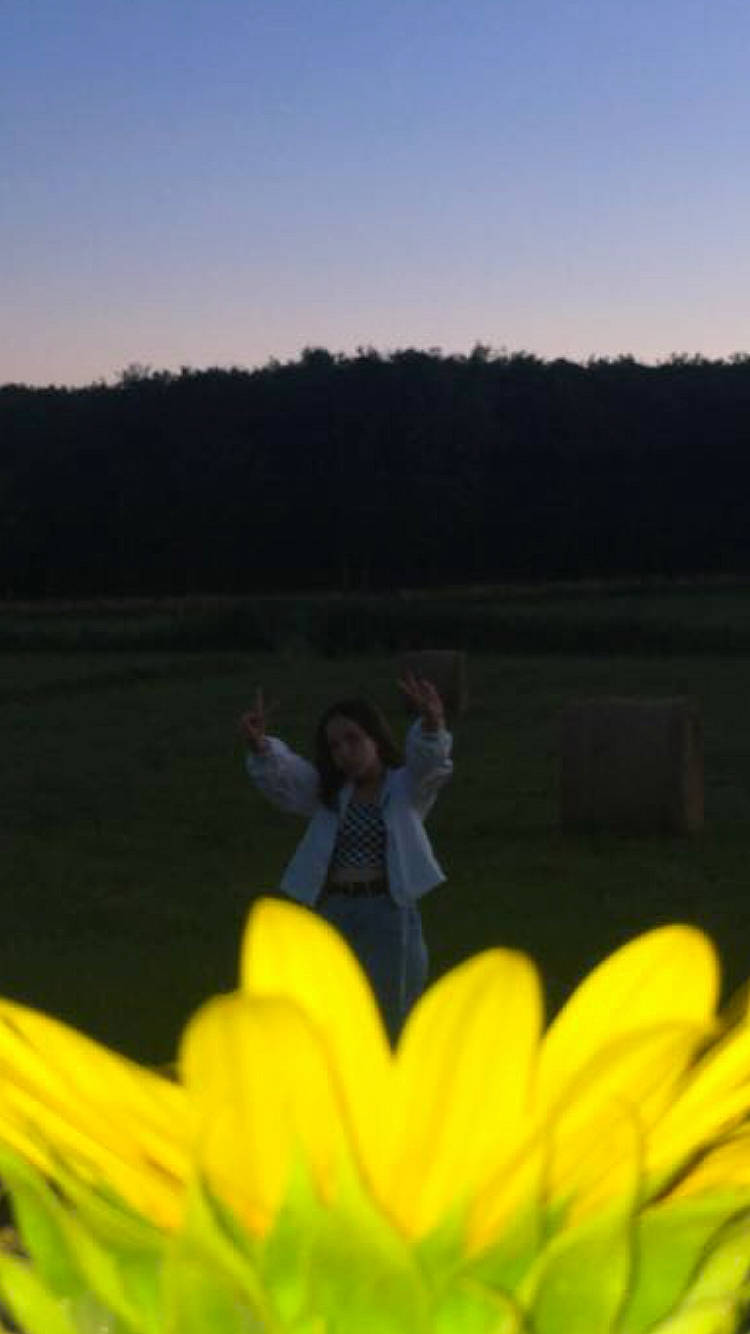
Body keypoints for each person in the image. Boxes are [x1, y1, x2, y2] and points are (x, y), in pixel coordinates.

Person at [239, 674, 453, 1041]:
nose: (344, 752)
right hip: (332, 911)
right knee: (326, 1014)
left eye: (353, 739)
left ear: (374, 737)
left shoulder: (404, 789)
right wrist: (262, 747)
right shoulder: (331, 795)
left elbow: (429, 765)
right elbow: (287, 777)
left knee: (391, 1016)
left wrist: (432, 725)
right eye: (335, 746)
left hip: (387, 912)